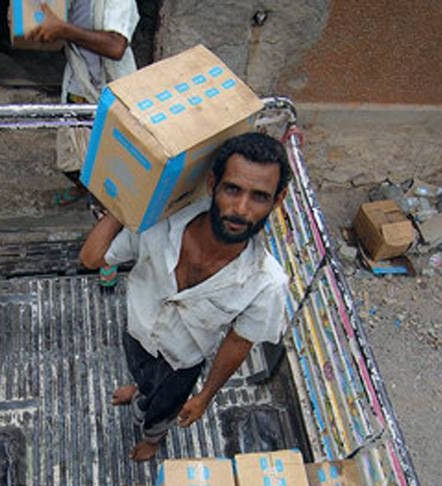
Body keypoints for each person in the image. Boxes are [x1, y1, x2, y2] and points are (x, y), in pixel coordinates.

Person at [79, 132, 291, 461]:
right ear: (212, 184)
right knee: (141, 376)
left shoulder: (267, 282)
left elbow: (238, 343)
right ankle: (140, 391)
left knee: (164, 408)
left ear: (277, 201)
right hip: (137, 334)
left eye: (259, 196)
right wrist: (131, 202)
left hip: (182, 363)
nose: (241, 209)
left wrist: (205, 395)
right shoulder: (159, 221)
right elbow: (92, 259)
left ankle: (152, 439)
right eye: (232, 189)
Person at [25, 0, 139, 288]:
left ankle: (109, 253)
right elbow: (32, 32)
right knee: (70, 161)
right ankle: (81, 186)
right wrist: (37, 25)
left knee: (110, 182)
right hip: (77, 87)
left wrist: (62, 28)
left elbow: (116, 46)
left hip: (111, 95)